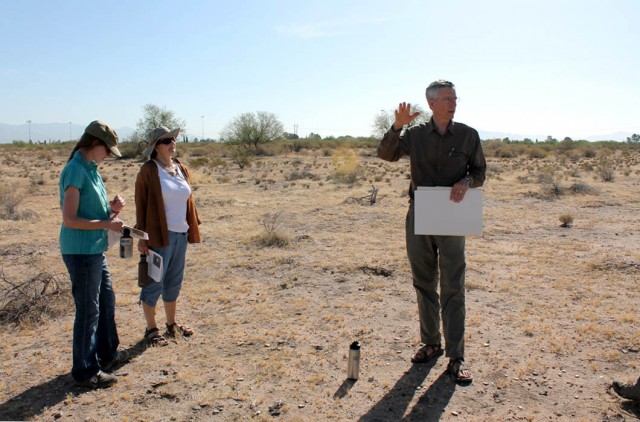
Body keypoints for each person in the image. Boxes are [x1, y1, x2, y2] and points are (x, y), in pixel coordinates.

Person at [377, 80, 486, 383]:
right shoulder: (414, 135)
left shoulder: (468, 135)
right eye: (447, 98)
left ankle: (457, 357)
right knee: (424, 282)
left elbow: (479, 173)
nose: (453, 102)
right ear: (432, 104)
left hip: (452, 212)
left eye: (455, 97)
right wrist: (396, 126)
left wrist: (467, 182)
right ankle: (431, 343)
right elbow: (386, 154)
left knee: (453, 285)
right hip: (420, 211)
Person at [59, 120, 130, 388]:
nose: (109, 156)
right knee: (89, 311)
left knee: (106, 302)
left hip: (94, 249)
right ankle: (86, 371)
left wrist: (112, 210)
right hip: (80, 251)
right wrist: (106, 224)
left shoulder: (91, 170)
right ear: (95, 144)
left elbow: (92, 214)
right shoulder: (76, 171)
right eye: (108, 150)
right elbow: (70, 220)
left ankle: (107, 355)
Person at [134, 126, 201, 346]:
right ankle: (151, 328)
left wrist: (192, 226)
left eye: (173, 139)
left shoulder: (179, 167)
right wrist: (143, 237)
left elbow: (187, 200)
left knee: (173, 282)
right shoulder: (149, 171)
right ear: (155, 146)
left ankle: (171, 325)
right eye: (166, 141)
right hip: (158, 235)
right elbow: (141, 205)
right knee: (154, 282)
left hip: (181, 233)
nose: (172, 143)